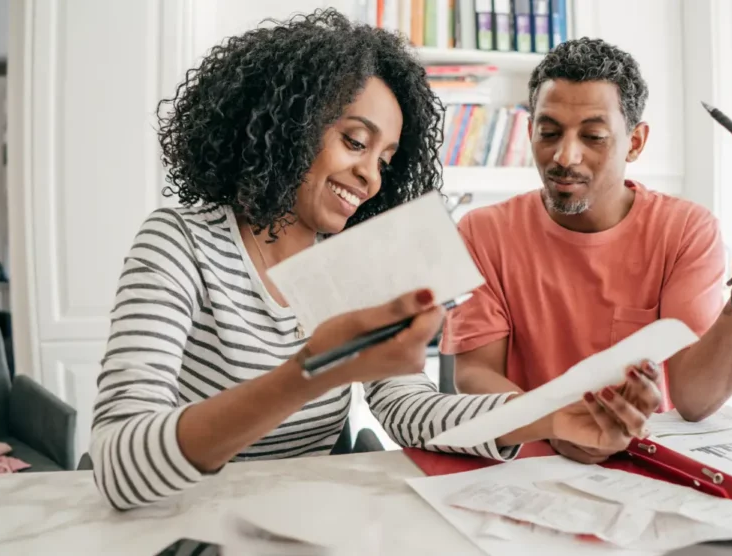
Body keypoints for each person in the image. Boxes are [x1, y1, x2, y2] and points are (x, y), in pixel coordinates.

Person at [90, 11, 661, 511]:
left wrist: (551, 415)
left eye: (386, 159)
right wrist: (312, 372)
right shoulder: (179, 244)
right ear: (284, 124)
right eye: (356, 142)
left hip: (293, 526)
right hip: (178, 521)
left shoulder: (354, 266)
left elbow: (411, 409)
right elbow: (117, 460)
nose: (371, 176)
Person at [442, 37, 732, 464]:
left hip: (641, 463)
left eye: (594, 136)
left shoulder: (683, 230)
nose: (565, 156)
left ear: (636, 143)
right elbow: (474, 372)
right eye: (548, 133)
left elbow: (694, 400)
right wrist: (553, 422)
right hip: (524, 461)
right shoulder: (482, 231)